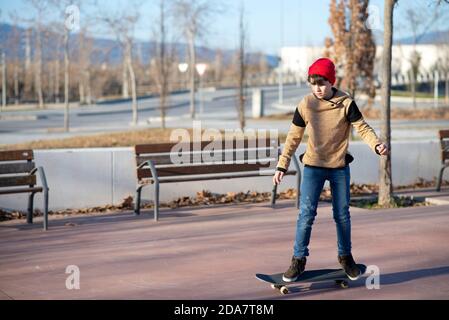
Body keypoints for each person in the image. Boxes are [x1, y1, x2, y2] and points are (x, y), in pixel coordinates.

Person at [273, 57, 389, 282]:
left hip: (338, 168)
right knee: (306, 215)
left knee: (342, 215)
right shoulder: (306, 104)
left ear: (331, 81)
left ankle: (346, 257)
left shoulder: (346, 102)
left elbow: (362, 128)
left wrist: (376, 144)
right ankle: (298, 260)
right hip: (313, 167)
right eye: (313, 83)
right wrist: (282, 164)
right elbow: (293, 137)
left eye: (322, 83)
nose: (317, 88)